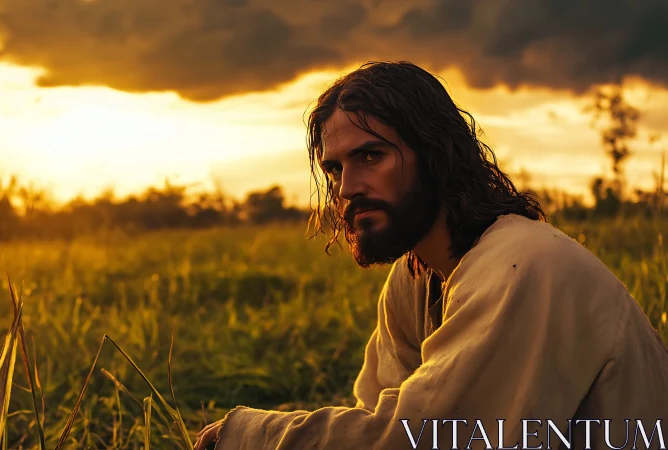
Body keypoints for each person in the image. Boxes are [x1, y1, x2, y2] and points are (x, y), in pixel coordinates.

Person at [194, 61, 668, 450]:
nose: (347, 188)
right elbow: (377, 415)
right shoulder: (416, 278)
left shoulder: (526, 264)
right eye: (334, 169)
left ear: (436, 154)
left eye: (371, 157)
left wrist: (251, 437)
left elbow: (428, 437)